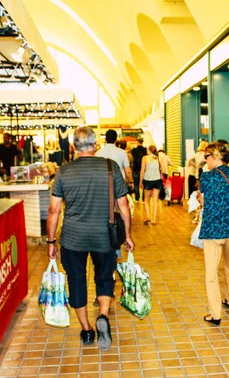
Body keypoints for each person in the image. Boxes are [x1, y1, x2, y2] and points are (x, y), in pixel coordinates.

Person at [46, 126, 135, 350]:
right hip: (104, 236)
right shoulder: (110, 167)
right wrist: (128, 235)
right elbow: (123, 205)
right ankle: (103, 315)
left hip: (72, 238)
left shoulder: (64, 172)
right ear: (95, 145)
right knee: (105, 278)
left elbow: (54, 211)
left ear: (74, 147)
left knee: (76, 280)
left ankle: (86, 330)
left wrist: (50, 241)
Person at [198, 142, 229, 326]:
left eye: (207, 156)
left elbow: (204, 201)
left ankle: (215, 314)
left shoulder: (208, 178)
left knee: (211, 274)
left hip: (213, 229)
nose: (205, 159)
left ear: (217, 156)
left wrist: (200, 199)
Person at [139, 145, 162, 225]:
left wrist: (140, 182)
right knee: (155, 200)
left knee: (146, 200)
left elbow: (142, 171)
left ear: (149, 150)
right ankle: (154, 219)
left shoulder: (145, 158)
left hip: (148, 180)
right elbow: (160, 170)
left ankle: (148, 216)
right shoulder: (157, 158)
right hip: (157, 180)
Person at [131, 138, 147, 202]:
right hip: (144, 169)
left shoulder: (134, 150)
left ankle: (137, 198)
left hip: (136, 169)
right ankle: (143, 199)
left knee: (136, 184)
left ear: (137, 142)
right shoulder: (145, 150)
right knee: (144, 184)